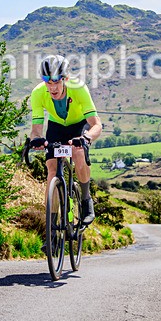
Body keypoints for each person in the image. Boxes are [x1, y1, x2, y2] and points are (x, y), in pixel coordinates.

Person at [29, 54, 102, 227]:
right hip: (56, 127)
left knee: (78, 153)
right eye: (47, 82)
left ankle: (86, 199)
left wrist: (86, 138)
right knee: (52, 169)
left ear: (65, 78)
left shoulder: (78, 88)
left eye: (56, 81)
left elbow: (96, 124)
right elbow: (36, 129)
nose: (52, 87)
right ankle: (52, 226)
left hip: (79, 125)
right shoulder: (38, 93)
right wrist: (36, 140)